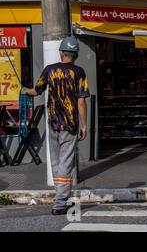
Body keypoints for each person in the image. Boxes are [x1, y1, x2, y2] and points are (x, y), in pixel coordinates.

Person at [22, 36, 90, 215]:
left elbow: (36, 91)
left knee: (56, 162)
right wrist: (84, 125)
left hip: (53, 123)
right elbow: (81, 102)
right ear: (75, 54)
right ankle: (60, 203)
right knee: (66, 163)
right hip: (70, 124)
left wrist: (24, 90)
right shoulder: (79, 72)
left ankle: (60, 200)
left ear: (61, 52)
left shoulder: (49, 70)